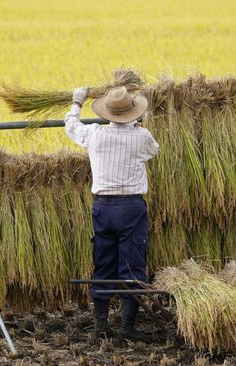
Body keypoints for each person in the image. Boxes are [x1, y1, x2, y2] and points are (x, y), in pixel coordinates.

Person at [65, 85, 159, 339]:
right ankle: (127, 327)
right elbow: (154, 150)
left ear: (107, 113)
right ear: (132, 113)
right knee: (132, 263)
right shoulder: (141, 137)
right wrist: (137, 128)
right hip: (131, 208)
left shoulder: (95, 134)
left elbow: (71, 127)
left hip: (103, 207)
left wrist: (77, 102)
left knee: (103, 261)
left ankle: (101, 325)